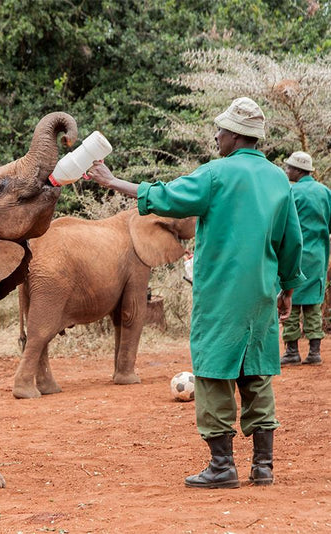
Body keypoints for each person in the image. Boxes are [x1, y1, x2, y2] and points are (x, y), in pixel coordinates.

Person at [87, 97, 305, 489]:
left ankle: (222, 467)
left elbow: (165, 197)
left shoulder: (215, 175)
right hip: (260, 293)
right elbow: (292, 241)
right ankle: (263, 465)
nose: (216, 135)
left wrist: (111, 180)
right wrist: (287, 288)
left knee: (212, 371)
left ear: (237, 136)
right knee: (256, 370)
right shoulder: (278, 179)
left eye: (221, 129)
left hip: (220, 294)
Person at [280, 151, 331, 366]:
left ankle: (292, 351)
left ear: (299, 171)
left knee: (289, 296)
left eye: (290, 167)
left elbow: (283, 224)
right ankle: (314, 352)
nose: (287, 170)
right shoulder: (325, 192)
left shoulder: (290, 192)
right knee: (313, 302)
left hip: (296, 253)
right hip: (319, 255)